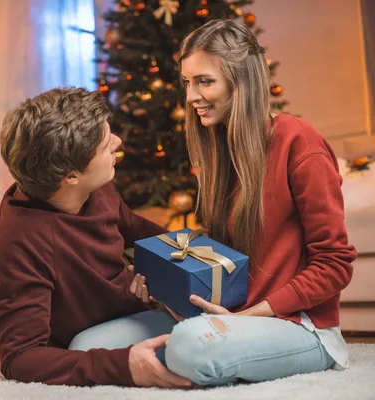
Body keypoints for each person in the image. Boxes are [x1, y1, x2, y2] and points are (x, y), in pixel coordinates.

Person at [69, 19, 357, 387]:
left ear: (242, 82)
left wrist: (248, 317)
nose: (191, 96)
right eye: (188, 82)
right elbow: (222, 266)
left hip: (299, 326)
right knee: (86, 347)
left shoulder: (298, 141)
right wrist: (167, 290)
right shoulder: (217, 151)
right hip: (229, 316)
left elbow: (335, 265)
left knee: (190, 346)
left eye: (205, 82)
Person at [0, 87, 195, 388]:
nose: (118, 142)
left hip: (140, 310)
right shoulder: (16, 245)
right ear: (70, 175)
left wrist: (190, 265)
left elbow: (136, 231)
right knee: (87, 347)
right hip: (94, 337)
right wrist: (125, 366)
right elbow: (20, 357)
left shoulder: (97, 190)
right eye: (105, 142)